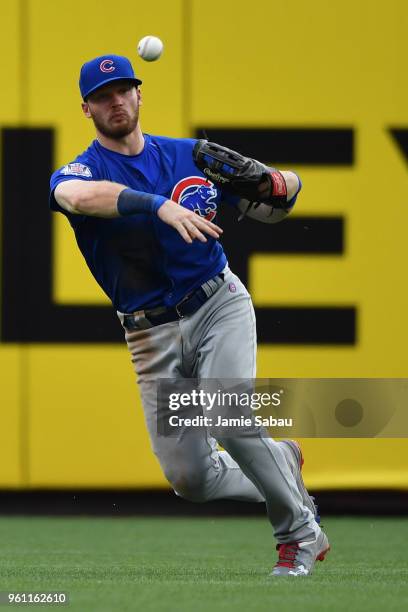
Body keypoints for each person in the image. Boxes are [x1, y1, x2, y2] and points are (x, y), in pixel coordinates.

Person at [49, 54, 329, 576]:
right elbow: (78, 197)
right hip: (149, 333)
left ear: (139, 95)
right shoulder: (81, 170)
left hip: (216, 303)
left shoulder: (190, 156)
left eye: (123, 90)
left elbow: (278, 191)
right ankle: (281, 463)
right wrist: (157, 204)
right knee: (191, 480)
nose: (116, 101)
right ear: (86, 109)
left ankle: (299, 534)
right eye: (103, 96)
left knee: (229, 415)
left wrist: (282, 184)